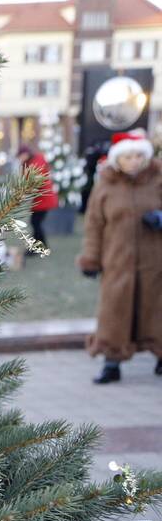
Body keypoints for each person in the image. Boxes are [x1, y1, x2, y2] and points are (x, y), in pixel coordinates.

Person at [76, 130, 162, 384]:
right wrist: (90, 259)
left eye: (139, 156)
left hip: (155, 262)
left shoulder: (158, 180)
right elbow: (93, 226)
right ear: (117, 159)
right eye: (129, 157)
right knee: (114, 312)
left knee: (156, 310)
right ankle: (111, 363)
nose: (134, 161)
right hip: (117, 262)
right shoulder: (105, 186)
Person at [16, 145, 58, 250]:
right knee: (36, 223)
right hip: (40, 199)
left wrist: (23, 192)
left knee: (36, 223)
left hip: (43, 198)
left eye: (21, 156)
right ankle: (40, 245)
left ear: (26, 154)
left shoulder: (36, 162)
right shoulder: (28, 163)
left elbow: (32, 180)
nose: (20, 158)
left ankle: (38, 246)